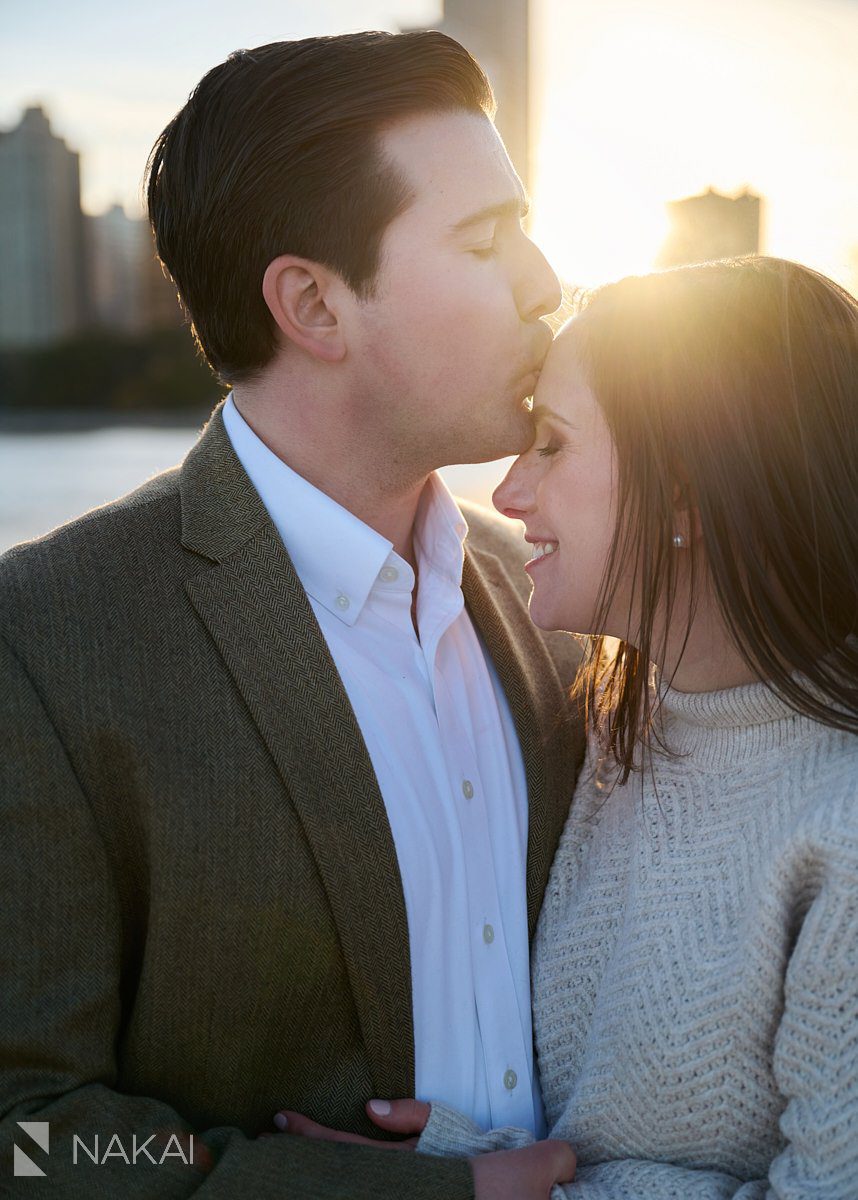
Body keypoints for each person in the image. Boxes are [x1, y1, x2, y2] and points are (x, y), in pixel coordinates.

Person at [0, 32, 584, 1198]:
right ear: (313, 302)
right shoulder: (47, 640)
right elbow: (30, 1132)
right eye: (484, 241)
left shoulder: (563, 596)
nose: (544, 282)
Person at [279, 257, 858, 1196]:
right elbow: (605, 1109)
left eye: (551, 444)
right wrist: (469, 1158)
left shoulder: (840, 822)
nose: (507, 496)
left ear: (683, 493)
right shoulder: (611, 719)